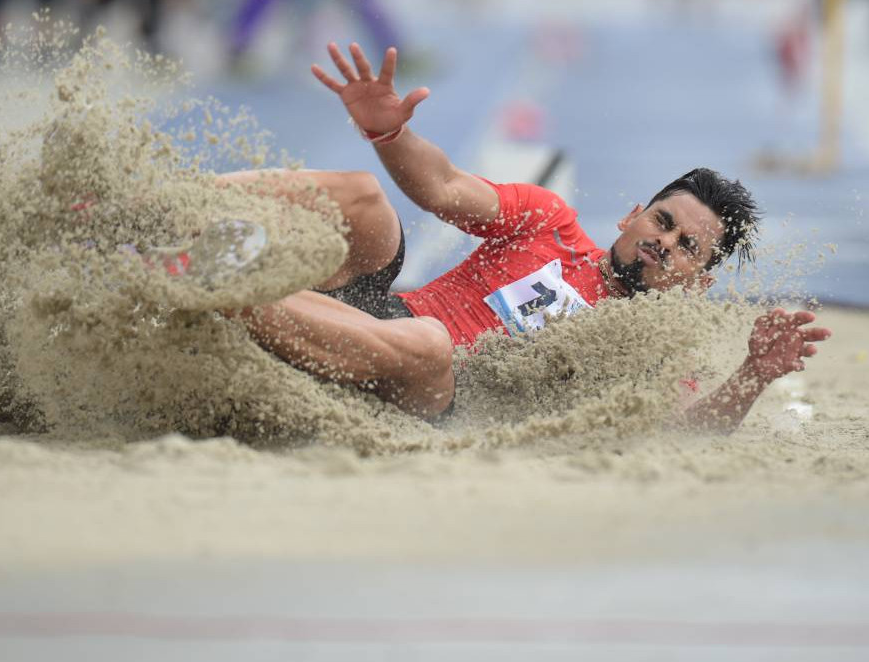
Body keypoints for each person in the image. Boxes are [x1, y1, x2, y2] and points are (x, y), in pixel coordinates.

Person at [216, 43, 830, 431]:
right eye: (663, 222)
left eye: (687, 249)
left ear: (699, 282)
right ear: (632, 215)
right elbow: (441, 187)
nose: (664, 243)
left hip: (430, 389)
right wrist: (389, 135)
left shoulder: (654, 344)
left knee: (429, 344)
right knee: (366, 197)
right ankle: (174, 210)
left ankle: (221, 289)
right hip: (381, 317)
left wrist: (752, 374)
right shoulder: (548, 221)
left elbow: (685, 431)